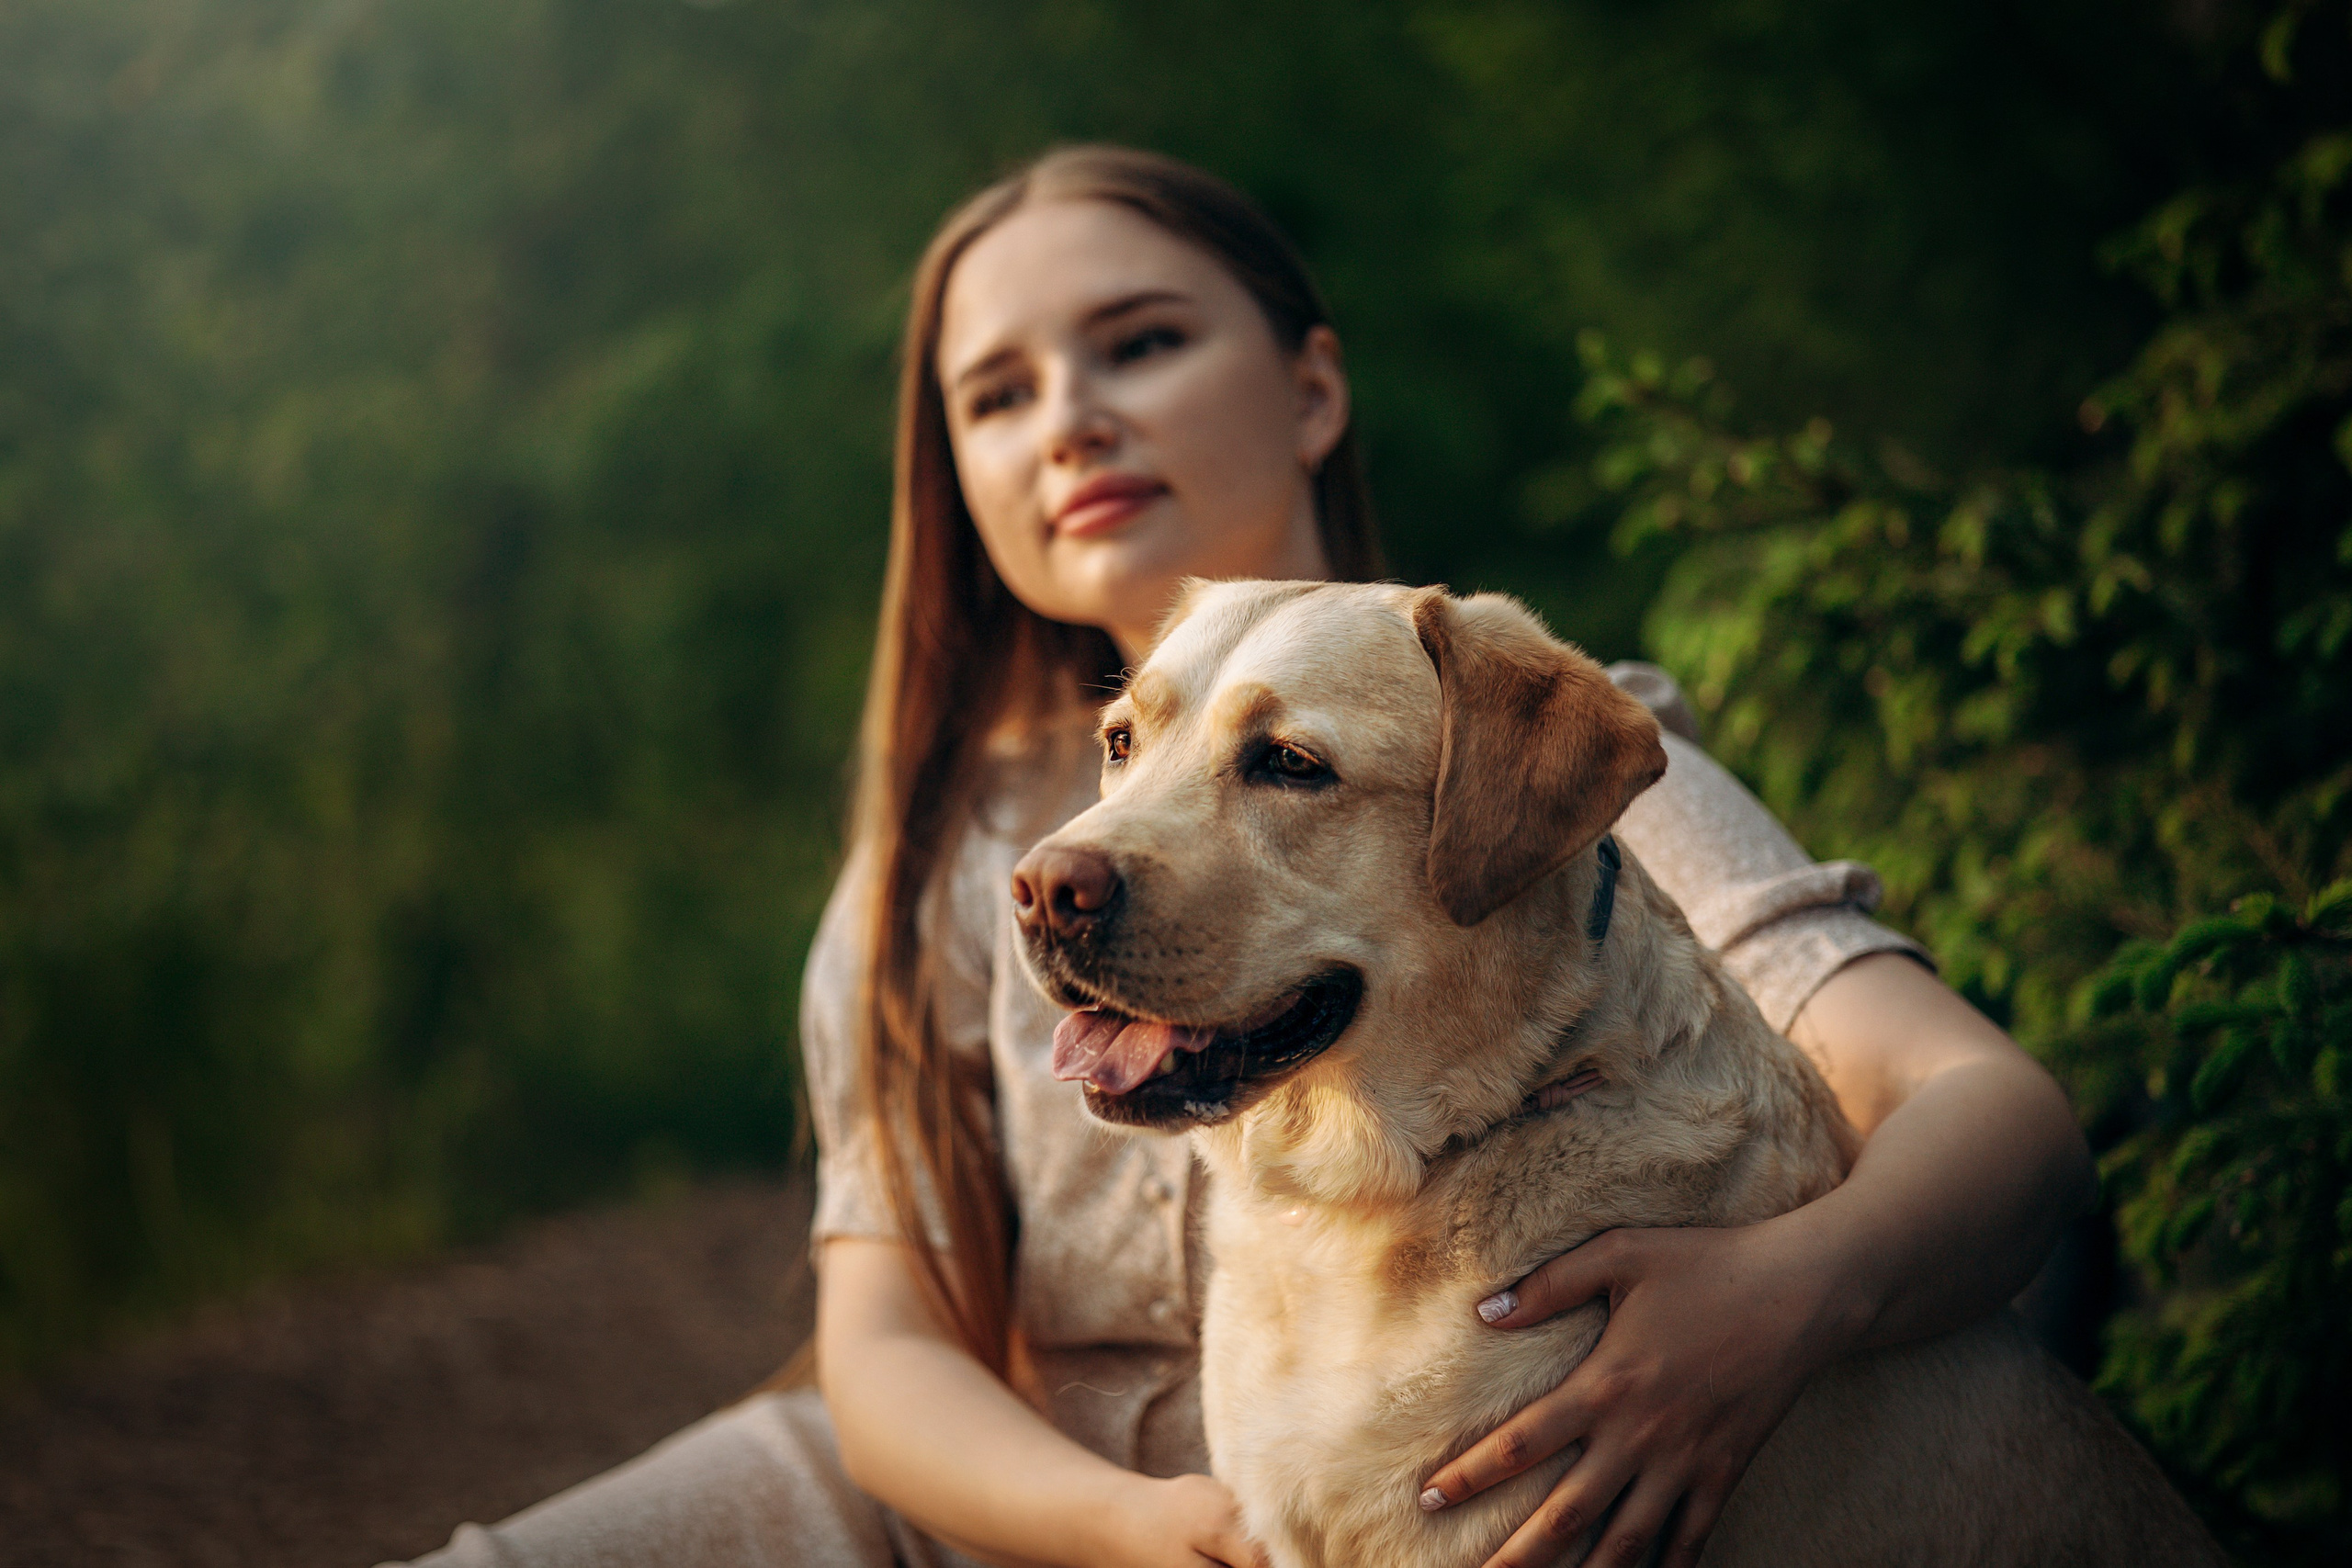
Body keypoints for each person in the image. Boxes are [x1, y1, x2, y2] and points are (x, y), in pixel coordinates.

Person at [390, 145, 2092, 1568]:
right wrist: (1135, 1530)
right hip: (1008, 1507)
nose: (1068, 420)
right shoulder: (949, 854)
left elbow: (1993, 1117)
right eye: (996, 394)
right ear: (961, 477)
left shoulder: (1526, 744)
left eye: (1135, 344)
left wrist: (1777, 1302)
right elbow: (884, 1350)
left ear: (1313, 388)